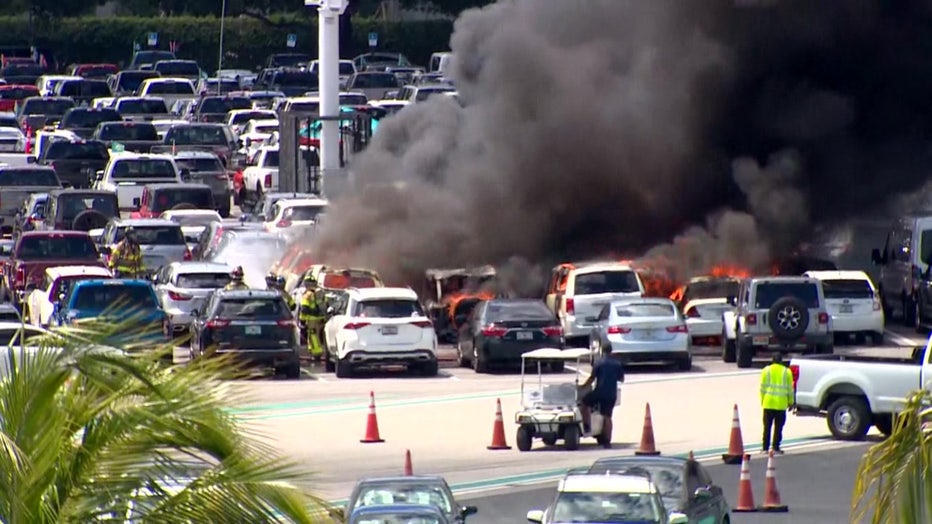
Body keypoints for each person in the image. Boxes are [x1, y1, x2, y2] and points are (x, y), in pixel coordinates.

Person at [579, 343, 624, 449]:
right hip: (611, 394)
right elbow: (621, 379)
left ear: (602, 351)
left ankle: (586, 425)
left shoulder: (599, 363)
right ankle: (607, 442)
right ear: (611, 351)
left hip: (600, 392)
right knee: (608, 416)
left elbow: (591, 379)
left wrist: (582, 387)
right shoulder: (617, 364)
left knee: (584, 403)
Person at [760, 352, 795, 454]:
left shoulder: (766, 370)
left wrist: (762, 400)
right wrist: (791, 402)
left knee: (767, 427)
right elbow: (790, 389)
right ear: (781, 361)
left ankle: (765, 448)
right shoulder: (787, 372)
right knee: (778, 427)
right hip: (781, 404)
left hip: (768, 402)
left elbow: (762, 388)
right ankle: (776, 447)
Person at [299, 274, 324, 363]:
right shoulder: (320, 293)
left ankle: (317, 354)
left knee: (313, 336)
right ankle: (313, 351)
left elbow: (304, 309)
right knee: (318, 336)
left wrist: (302, 320)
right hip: (321, 318)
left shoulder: (307, 295)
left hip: (312, 319)